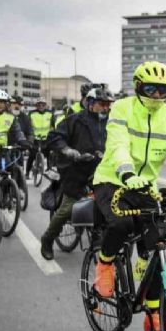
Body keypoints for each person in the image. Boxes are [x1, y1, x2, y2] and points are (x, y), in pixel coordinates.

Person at [92, 62, 166, 331]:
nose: (156, 96)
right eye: (150, 89)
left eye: (162, 90)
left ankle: (153, 312)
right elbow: (117, 144)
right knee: (119, 225)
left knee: (159, 246)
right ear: (138, 87)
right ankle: (105, 263)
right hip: (113, 178)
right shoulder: (122, 108)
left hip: (146, 187)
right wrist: (127, 173)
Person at [39, 87, 112, 260]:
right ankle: (47, 239)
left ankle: (100, 240)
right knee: (66, 210)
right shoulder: (75, 120)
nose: (105, 108)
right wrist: (69, 151)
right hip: (76, 172)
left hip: (102, 172)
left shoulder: (112, 123)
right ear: (90, 103)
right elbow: (54, 137)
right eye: (101, 104)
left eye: (108, 105)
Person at [27, 97, 54, 178]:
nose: (41, 106)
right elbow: (29, 126)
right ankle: (27, 173)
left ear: (45, 105)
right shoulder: (31, 114)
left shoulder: (50, 113)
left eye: (43, 105)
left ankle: (49, 169)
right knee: (32, 155)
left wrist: (52, 135)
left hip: (46, 138)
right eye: (39, 105)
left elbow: (53, 126)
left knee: (49, 154)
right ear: (36, 105)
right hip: (35, 138)